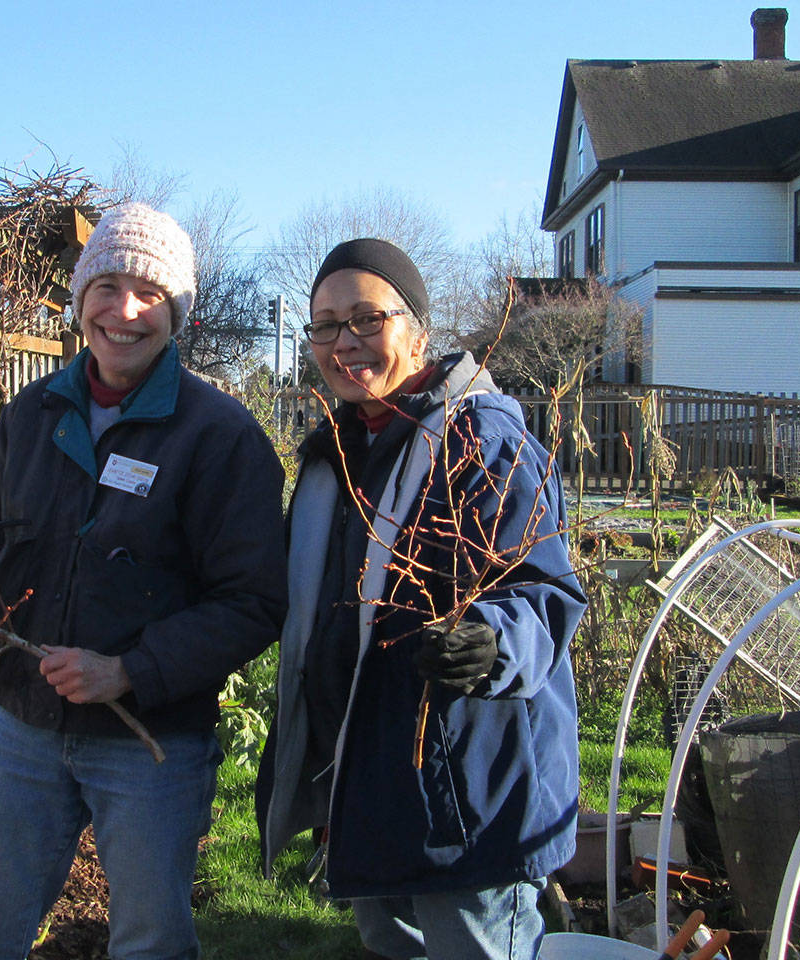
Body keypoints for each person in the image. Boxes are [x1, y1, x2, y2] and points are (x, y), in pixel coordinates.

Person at [0, 202, 287, 960]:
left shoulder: (219, 438)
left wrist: (127, 671)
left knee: (149, 942)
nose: (124, 311)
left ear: (177, 313)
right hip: (24, 727)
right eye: (107, 287)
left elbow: (254, 602)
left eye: (150, 293)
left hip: (150, 744)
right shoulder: (31, 415)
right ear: (80, 301)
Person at [256, 238, 587, 960]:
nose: (346, 341)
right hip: (370, 778)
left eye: (367, 318)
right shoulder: (336, 454)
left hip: (466, 789)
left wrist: (492, 639)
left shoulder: (482, 443)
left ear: (417, 329)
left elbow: (544, 589)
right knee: (389, 943)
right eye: (326, 325)